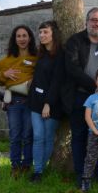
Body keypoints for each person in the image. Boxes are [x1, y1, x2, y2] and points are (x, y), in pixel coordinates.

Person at [63, 7, 98, 186]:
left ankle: (96, 173)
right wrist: (95, 86)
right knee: (80, 136)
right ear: (87, 21)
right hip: (80, 97)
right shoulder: (75, 41)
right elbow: (72, 68)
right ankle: (82, 175)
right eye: (94, 20)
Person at [0, 25, 38, 177]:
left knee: (28, 135)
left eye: (24, 35)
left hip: (31, 102)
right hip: (13, 102)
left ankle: (27, 165)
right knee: (15, 136)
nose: (22, 39)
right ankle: (15, 166)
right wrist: (5, 74)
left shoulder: (36, 57)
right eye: (18, 36)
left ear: (30, 38)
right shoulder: (6, 61)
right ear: (14, 39)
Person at [28, 20, 66, 182]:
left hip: (52, 104)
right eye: (40, 32)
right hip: (35, 102)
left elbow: (58, 81)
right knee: (37, 136)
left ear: (53, 35)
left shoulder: (61, 55)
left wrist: (48, 103)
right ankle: (37, 171)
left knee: (48, 137)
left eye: (45, 32)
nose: (41, 35)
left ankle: (40, 170)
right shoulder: (41, 53)